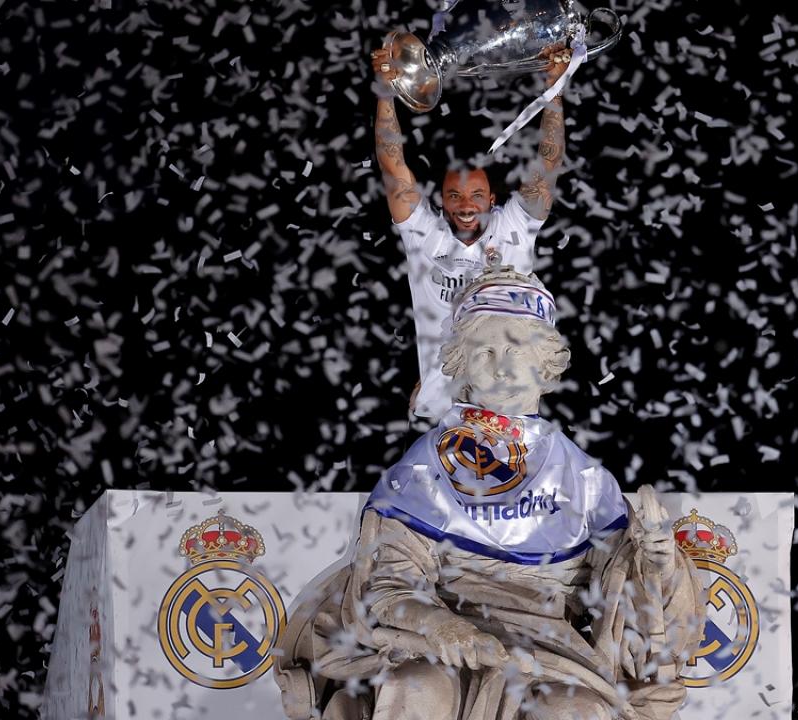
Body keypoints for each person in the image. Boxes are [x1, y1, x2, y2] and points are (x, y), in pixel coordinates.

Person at [274, 267, 705, 720]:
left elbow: (625, 599)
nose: (502, 367)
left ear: (545, 365)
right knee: (417, 686)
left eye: (516, 351)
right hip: (439, 642)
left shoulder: (585, 480)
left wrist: (657, 564)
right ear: (462, 366)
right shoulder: (423, 470)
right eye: (485, 352)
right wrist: (441, 626)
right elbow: (388, 587)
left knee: (574, 711)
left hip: (551, 655)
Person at [369, 42, 572, 419]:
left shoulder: (514, 225)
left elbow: (549, 162)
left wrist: (555, 90)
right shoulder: (424, 234)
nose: (466, 205)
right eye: (455, 196)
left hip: (512, 408)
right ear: (441, 201)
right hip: (442, 410)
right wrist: (385, 92)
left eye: (476, 196)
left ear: (492, 199)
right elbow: (391, 163)